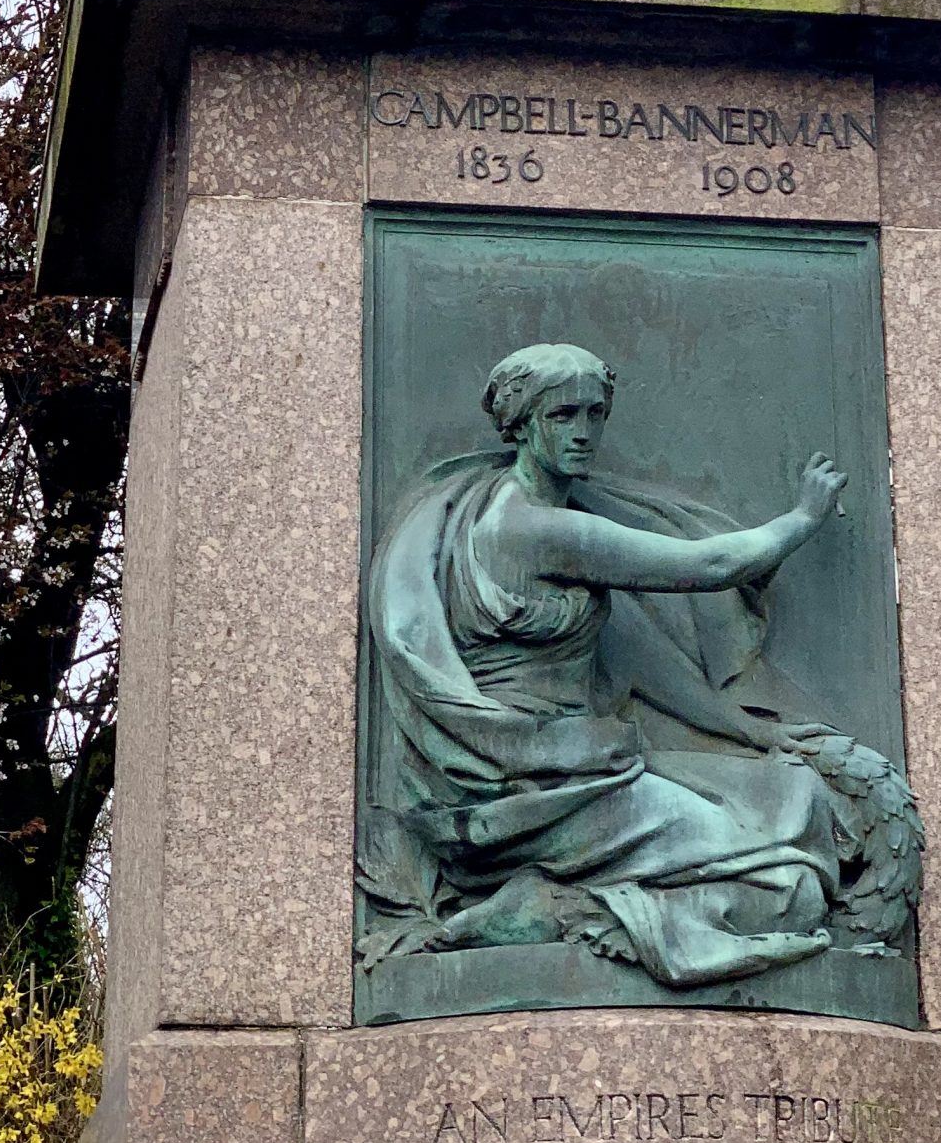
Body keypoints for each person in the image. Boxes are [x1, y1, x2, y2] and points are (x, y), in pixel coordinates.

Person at [365, 342, 852, 985]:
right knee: (789, 886)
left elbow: (636, 660)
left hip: (584, 764)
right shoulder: (533, 529)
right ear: (520, 424)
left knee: (792, 796)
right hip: (534, 788)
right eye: (562, 415)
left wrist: (745, 729)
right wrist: (803, 516)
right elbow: (713, 564)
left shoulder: (522, 511)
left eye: (595, 413)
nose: (584, 432)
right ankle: (554, 911)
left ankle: (557, 903)